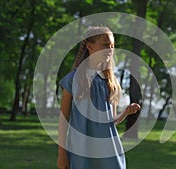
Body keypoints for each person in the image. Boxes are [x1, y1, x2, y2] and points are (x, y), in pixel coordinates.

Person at [57, 26, 141, 169]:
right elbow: (63, 121)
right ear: (90, 46)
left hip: (108, 149)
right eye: (105, 45)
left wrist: (126, 112)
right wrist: (62, 155)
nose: (110, 49)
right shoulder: (73, 80)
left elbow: (112, 121)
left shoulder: (110, 82)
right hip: (81, 149)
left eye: (112, 46)